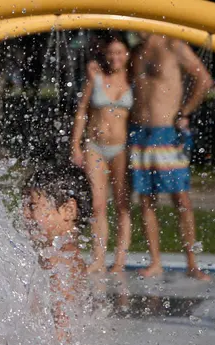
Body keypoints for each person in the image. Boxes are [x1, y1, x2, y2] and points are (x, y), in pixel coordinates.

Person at [129, 34, 213, 280]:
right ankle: (156, 261)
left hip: (167, 132)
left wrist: (184, 111)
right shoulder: (136, 51)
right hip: (139, 133)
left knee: (181, 200)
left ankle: (192, 263)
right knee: (146, 201)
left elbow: (204, 79)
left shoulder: (173, 45)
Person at [71, 32, 133, 274]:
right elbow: (81, 111)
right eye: (111, 52)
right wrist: (75, 145)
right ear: (105, 54)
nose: (115, 57)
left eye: (119, 52)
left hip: (121, 148)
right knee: (97, 205)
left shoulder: (133, 80)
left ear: (126, 55)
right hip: (95, 146)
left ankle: (119, 260)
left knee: (122, 204)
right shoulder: (95, 78)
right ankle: (98, 258)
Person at [23, 165, 92, 343]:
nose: (24, 214)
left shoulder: (62, 259)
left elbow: (62, 329)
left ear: (68, 210)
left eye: (32, 206)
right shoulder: (62, 254)